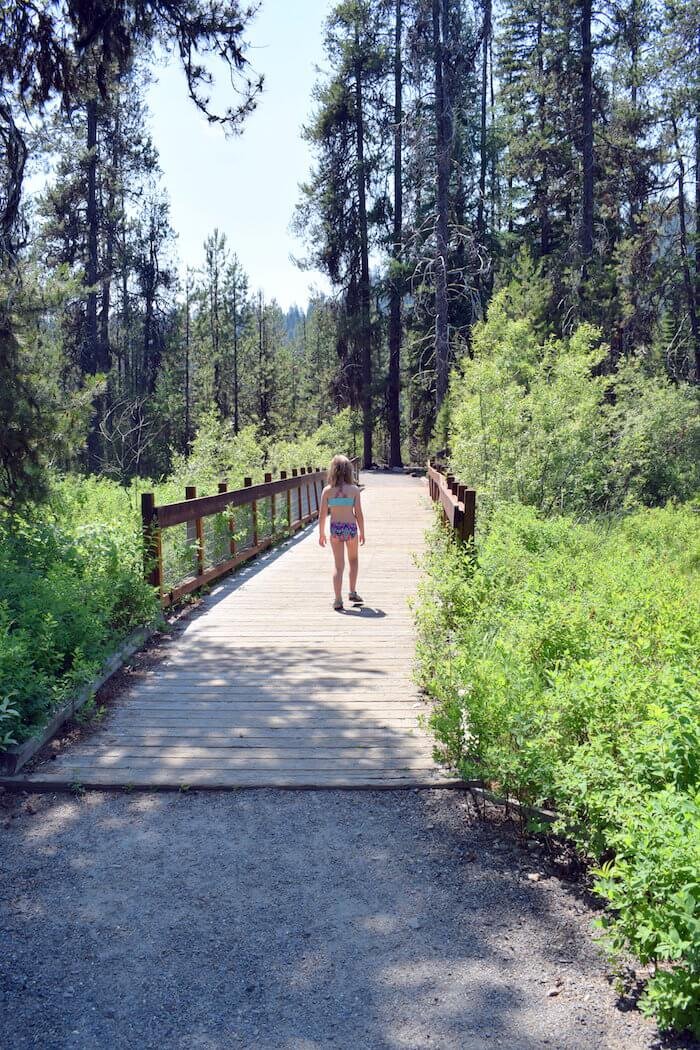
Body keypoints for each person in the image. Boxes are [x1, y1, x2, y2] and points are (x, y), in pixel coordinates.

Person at [318, 454, 365, 610]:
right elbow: (358, 513)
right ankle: (352, 591)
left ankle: (338, 600)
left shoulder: (327, 491)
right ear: (348, 471)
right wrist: (362, 532)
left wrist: (321, 533)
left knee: (338, 566)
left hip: (336, 529)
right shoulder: (354, 490)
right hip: (351, 528)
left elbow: (322, 514)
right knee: (353, 560)